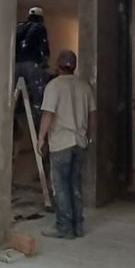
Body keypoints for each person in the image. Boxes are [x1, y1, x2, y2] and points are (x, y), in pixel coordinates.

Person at [38, 50, 94, 239]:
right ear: (75, 66)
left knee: (60, 186)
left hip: (61, 143)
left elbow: (48, 114)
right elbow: (93, 115)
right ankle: (78, 225)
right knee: (75, 185)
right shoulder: (84, 87)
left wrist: (41, 138)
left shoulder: (54, 86)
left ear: (57, 64)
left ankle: (64, 227)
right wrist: (89, 136)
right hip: (80, 143)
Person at [14, 6, 51, 115]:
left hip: (17, 65)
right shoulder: (39, 27)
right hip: (31, 64)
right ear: (40, 18)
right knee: (37, 93)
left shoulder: (19, 27)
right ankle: (37, 115)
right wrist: (45, 61)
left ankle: (15, 115)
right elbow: (43, 46)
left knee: (15, 94)